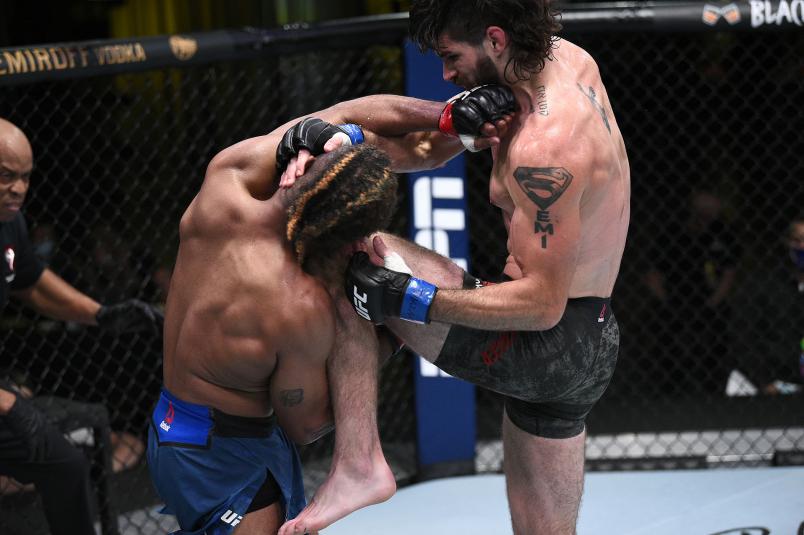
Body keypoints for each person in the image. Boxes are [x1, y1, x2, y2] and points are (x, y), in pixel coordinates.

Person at [276, 2, 630, 533]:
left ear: (494, 39)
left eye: (450, 57)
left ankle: (359, 463)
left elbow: (540, 305)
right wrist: (336, 134)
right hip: (591, 337)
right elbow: (419, 149)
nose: (446, 74)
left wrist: (410, 298)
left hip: (545, 341)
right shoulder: (564, 60)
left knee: (343, 251)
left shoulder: (546, 148)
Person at [147, 116, 401, 534]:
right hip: (228, 455)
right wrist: (390, 336)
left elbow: (350, 112)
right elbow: (306, 425)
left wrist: (442, 119)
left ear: (299, 165)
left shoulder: (224, 183)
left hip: (169, 426)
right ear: (347, 239)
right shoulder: (298, 304)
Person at [0, 117, 163, 535]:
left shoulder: (8, 221)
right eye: (5, 176)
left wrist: (100, 313)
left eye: (24, 177)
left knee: (64, 467)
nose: (18, 188)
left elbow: (30, 281)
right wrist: (8, 403)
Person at [644, 188, 739, 396]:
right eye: (702, 207)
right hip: (675, 300)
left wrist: (712, 304)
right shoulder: (673, 233)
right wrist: (667, 303)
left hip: (710, 302)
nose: (707, 212)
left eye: (711, 207)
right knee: (669, 348)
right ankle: (667, 391)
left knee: (715, 348)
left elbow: (729, 274)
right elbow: (653, 273)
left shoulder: (725, 234)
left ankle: (715, 391)